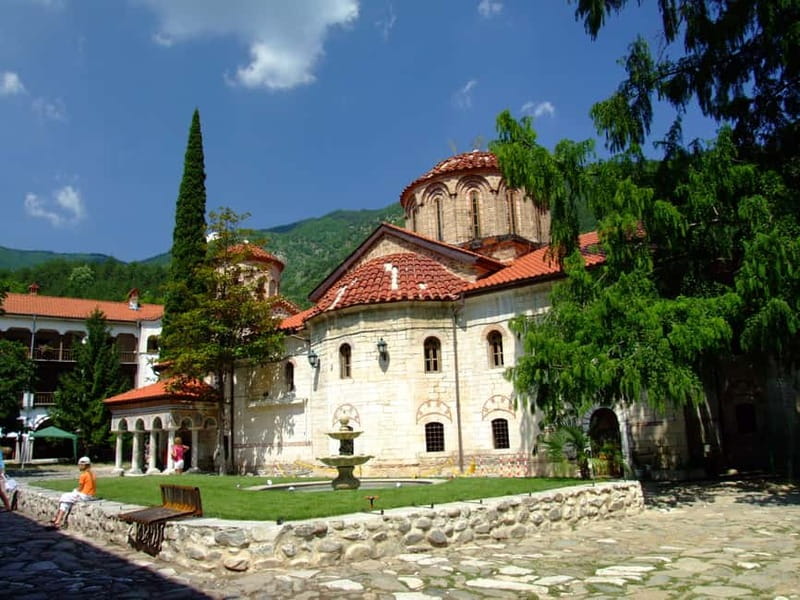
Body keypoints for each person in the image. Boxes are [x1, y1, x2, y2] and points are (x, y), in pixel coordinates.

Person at [50, 456, 96, 528]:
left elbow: (80, 488)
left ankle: (57, 519)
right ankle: (57, 520)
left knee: (64, 497)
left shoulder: (83, 475)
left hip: (84, 495)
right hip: (89, 495)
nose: (79, 467)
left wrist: (75, 490)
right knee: (66, 500)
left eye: (80, 465)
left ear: (84, 465)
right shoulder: (92, 474)